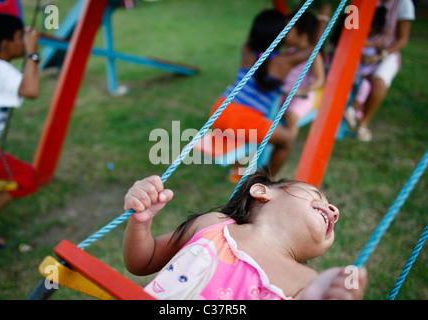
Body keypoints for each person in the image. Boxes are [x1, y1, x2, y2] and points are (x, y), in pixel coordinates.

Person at [122, 173, 367, 300]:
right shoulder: (213, 225)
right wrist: (141, 222)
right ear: (262, 192)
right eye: (317, 196)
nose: (335, 211)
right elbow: (144, 260)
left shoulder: (308, 281)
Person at [208, 8, 330, 181]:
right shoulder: (283, 62)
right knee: (286, 140)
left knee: (243, 133)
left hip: (219, 111)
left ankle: (237, 170)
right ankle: (266, 179)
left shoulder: (247, 50)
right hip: (243, 119)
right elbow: (315, 48)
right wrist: (323, 20)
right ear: (281, 36)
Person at [0, 12, 40, 248]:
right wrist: (33, 51)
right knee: (27, 176)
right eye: (19, 37)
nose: (22, 42)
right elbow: (31, 90)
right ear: (5, 44)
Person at [355, 0, 415, 141]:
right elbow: (350, 22)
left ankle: (364, 122)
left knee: (379, 82)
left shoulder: (403, 3)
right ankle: (349, 110)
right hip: (360, 47)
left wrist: (380, 55)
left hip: (387, 52)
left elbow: (402, 39)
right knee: (355, 79)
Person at [281, 11, 325, 141]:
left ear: (303, 35)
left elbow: (319, 79)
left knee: (292, 117)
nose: (284, 32)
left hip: (302, 97)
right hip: (285, 94)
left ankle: (285, 144)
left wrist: (303, 91)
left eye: (289, 29)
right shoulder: (290, 52)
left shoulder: (314, 55)